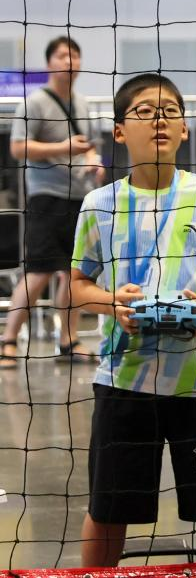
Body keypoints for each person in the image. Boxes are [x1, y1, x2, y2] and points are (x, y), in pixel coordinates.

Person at [70, 73, 196, 566]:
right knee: (108, 509)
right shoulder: (98, 204)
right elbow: (78, 285)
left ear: (185, 129)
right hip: (124, 378)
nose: (160, 120)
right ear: (119, 131)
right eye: (145, 112)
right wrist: (112, 303)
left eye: (170, 111)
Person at [1, 36, 104, 368]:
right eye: (62, 55)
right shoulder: (34, 103)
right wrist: (64, 148)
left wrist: (95, 161)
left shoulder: (82, 103)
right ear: (49, 63)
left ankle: (68, 342)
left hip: (80, 197)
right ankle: (8, 342)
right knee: (38, 272)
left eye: (75, 55)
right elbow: (18, 147)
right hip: (46, 198)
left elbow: (89, 145)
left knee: (73, 274)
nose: (69, 61)